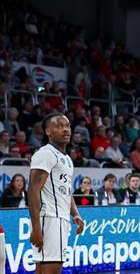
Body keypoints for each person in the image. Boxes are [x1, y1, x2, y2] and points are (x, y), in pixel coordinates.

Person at [28, 113, 85, 272]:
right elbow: (33, 190)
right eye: (59, 126)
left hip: (60, 218)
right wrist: (37, 228)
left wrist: (75, 214)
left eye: (67, 126)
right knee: (51, 269)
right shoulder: (46, 153)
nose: (66, 130)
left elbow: (66, 190)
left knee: (45, 269)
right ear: (48, 131)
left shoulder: (66, 158)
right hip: (49, 218)